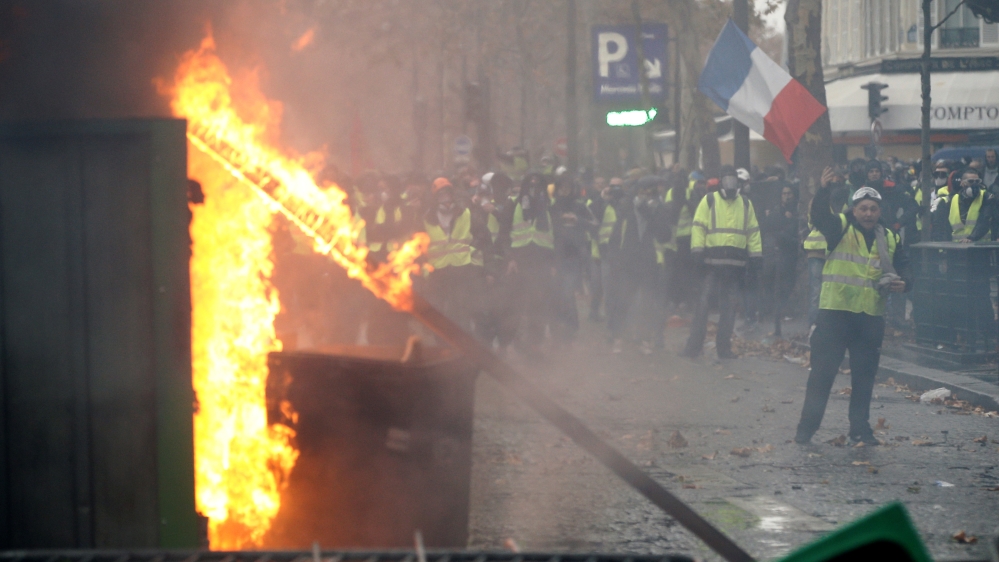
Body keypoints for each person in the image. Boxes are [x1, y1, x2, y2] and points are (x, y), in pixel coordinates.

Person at [794, 180, 911, 446]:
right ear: (854, 210)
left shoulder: (889, 237)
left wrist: (905, 282)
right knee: (821, 377)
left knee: (864, 379)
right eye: (863, 208)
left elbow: (904, 265)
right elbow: (820, 216)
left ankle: (860, 429)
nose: (868, 213)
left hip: (869, 318)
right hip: (835, 315)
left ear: (879, 211)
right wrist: (823, 190)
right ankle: (806, 430)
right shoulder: (839, 227)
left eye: (873, 209)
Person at [680, 166, 762, 360]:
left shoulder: (745, 204)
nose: (730, 185)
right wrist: (697, 252)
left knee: (729, 309)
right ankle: (694, 347)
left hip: (734, 266)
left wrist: (756, 257)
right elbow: (699, 227)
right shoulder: (709, 200)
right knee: (703, 307)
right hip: (711, 265)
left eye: (733, 180)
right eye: (727, 180)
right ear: (720, 182)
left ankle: (723, 349)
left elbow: (753, 231)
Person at [605, 177, 671, 354]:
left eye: (649, 192)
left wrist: (649, 213)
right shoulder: (627, 207)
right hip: (629, 261)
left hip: (649, 262)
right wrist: (614, 258)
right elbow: (617, 233)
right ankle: (617, 337)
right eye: (642, 192)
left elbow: (665, 235)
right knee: (624, 299)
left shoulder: (658, 208)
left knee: (647, 302)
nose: (645, 196)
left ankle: (644, 339)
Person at [421, 178, 492, 332]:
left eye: (448, 194)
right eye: (441, 195)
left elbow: (484, 235)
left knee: (461, 310)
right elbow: (418, 245)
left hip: (462, 269)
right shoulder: (427, 218)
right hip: (437, 272)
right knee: (438, 312)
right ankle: (441, 342)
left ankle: (461, 342)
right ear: (435, 198)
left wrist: (471, 250)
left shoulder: (465, 214)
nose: (446, 199)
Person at [497, 172, 556, 355]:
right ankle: (504, 344)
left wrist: (553, 263)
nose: (533, 188)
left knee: (538, 304)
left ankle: (534, 345)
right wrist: (510, 258)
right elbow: (504, 233)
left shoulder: (550, 205)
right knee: (512, 305)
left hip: (541, 261)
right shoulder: (513, 204)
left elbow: (557, 236)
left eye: (537, 185)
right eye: (530, 185)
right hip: (519, 261)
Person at [550, 175, 598, 343]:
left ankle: (570, 327)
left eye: (567, 187)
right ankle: (560, 324)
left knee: (568, 292)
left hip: (573, 257)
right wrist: (559, 219)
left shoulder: (580, 206)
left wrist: (578, 220)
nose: (564, 190)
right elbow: (546, 226)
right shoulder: (552, 207)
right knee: (556, 292)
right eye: (562, 187)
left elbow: (594, 225)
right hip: (555, 256)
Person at [804, 168, 849, 329]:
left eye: (839, 181)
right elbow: (812, 222)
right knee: (817, 292)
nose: (836, 184)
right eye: (833, 181)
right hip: (817, 251)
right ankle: (814, 327)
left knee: (833, 291)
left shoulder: (846, 203)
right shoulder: (818, 200)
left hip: (837, 252)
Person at [760, 183, 800, 337]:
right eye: (784, 193)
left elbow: (796, 235)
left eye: (789, 193)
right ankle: (774, 315)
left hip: (791, 256)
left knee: (788, 285)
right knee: (773, 285)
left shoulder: (797, 212)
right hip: (776, 255)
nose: (787, 196)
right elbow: (769, 229)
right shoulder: (776, 212)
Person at [586, 178, 621, 321]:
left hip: (615, 251)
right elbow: (591, 215)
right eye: (612, 186)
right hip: (599, 250)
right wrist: (602, 199)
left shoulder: (621, 204)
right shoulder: (598, 202)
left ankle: (611, 316)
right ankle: (595, 312)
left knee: (610, 286)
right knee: (597, 286)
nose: (614, 190)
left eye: (617, 187)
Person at [933, 167, 986, 241]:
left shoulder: (986, 198)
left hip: (981, 245)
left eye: (977, 181)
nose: (974, 184)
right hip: (956, 246)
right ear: (962, 183)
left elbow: (986, 221)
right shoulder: (951, 201)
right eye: (970, 181)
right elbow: (942, 228)